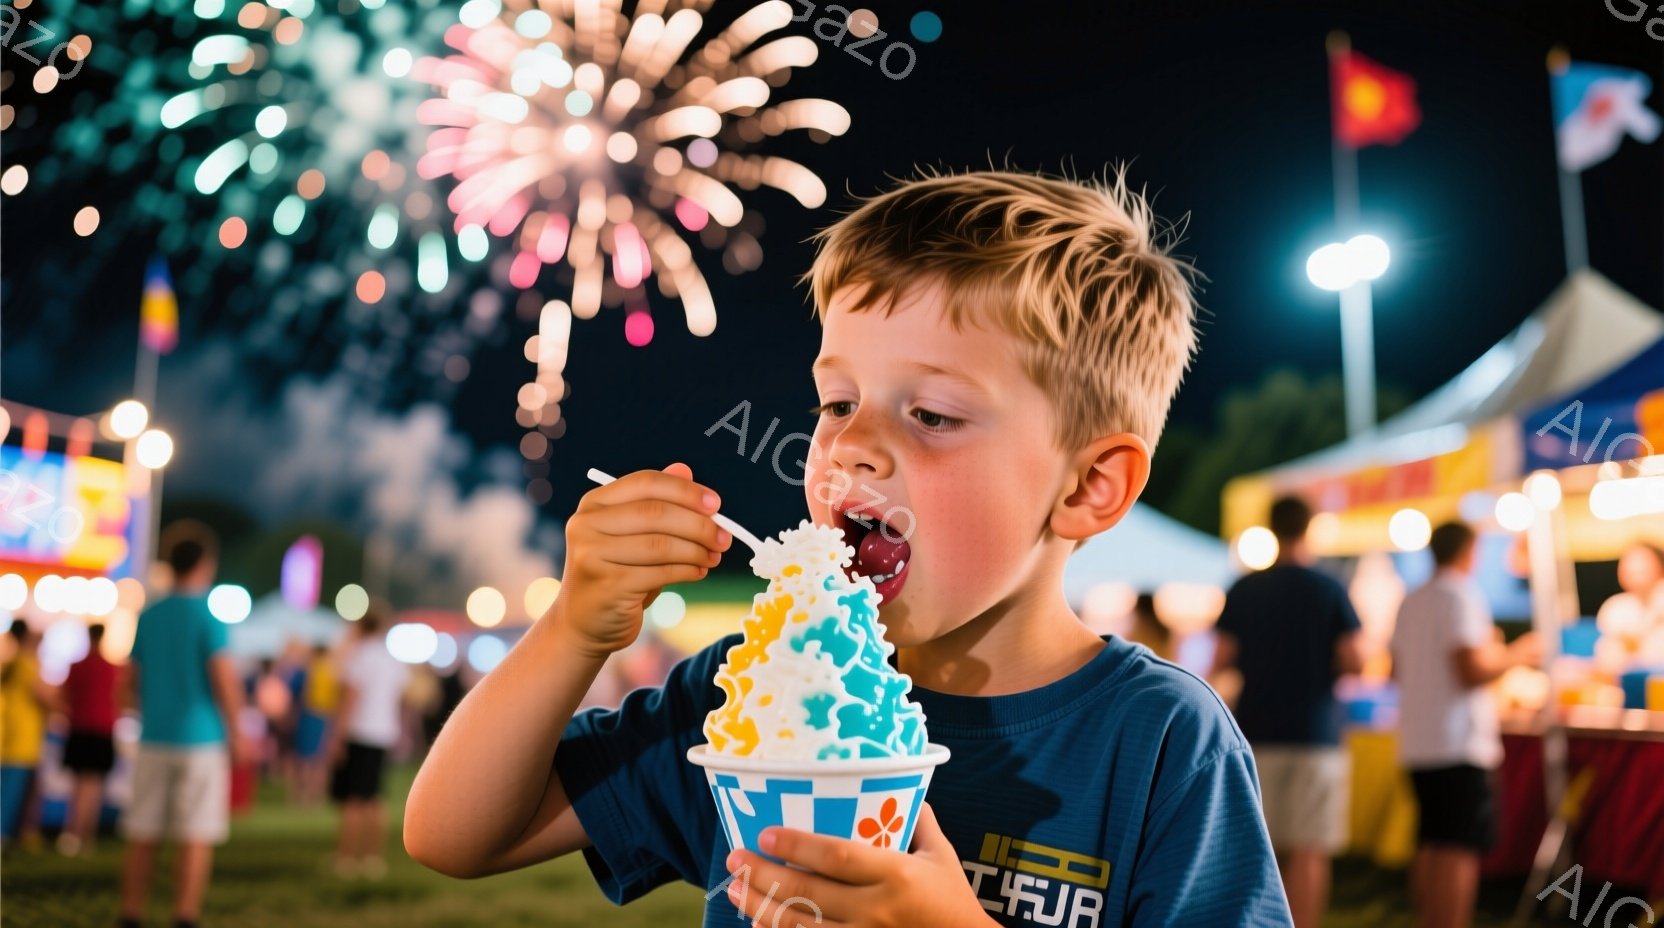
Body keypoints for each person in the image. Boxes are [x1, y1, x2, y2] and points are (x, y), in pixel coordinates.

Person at [406, 169, 1291, 925]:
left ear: (1087, 488)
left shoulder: (1163, 742)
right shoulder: (752, 690)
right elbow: (458, 835)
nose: (851, 444)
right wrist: (573, 629)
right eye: (837, 403)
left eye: (932, 415)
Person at [1212, 495, 1366, 928]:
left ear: (1272, 528)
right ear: (1309, 528)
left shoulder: (1245, 587)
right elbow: (1355, 660)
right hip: (1316, 732)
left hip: (1253, 733)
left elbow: (1221, 658)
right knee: (1309, 849)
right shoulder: (1329, 587)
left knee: (1256, 845)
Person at [1391, 521, 1539, 928]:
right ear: (1468, 551)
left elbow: (1396, 670)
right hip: (1457, 741)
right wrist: (1517, 655)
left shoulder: (1413, 599)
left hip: (1419, 740)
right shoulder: (1460, 594)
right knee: (1457, 849)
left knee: (1431, 842)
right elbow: (1470, 669)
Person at [119, 522, 250, 928]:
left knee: (144, 832)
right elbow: (224, 681)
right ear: (206, 565)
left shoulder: (150, 615)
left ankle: (131, 914)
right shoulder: (207, 616)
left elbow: (127, 685)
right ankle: (185, 916)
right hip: (201, 739)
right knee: (196, 834)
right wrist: (238, 732)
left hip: (154, 735)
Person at [327, 602, 409, 878]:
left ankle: (347, 858)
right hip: (383, 733)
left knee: (353, 799)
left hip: (360, 731)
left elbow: (350, 697)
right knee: (373, 798)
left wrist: (336, 735)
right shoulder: (391, 659)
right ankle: (372, 857)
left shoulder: (360, 655)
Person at [58, 622, 122, 857]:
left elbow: (63, 697)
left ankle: (74, 833)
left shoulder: (77, 667)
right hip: (101, 730)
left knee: (78, 786)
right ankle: (84, 837)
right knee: (93, 787)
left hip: (79, 729)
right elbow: (120, 698)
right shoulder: (112, 668)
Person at [1, 618, 51, 850]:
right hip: (23, 737)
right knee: (12, 793)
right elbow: (44, 697)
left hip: (7, 733)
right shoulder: (27, 664)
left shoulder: (9, 663)